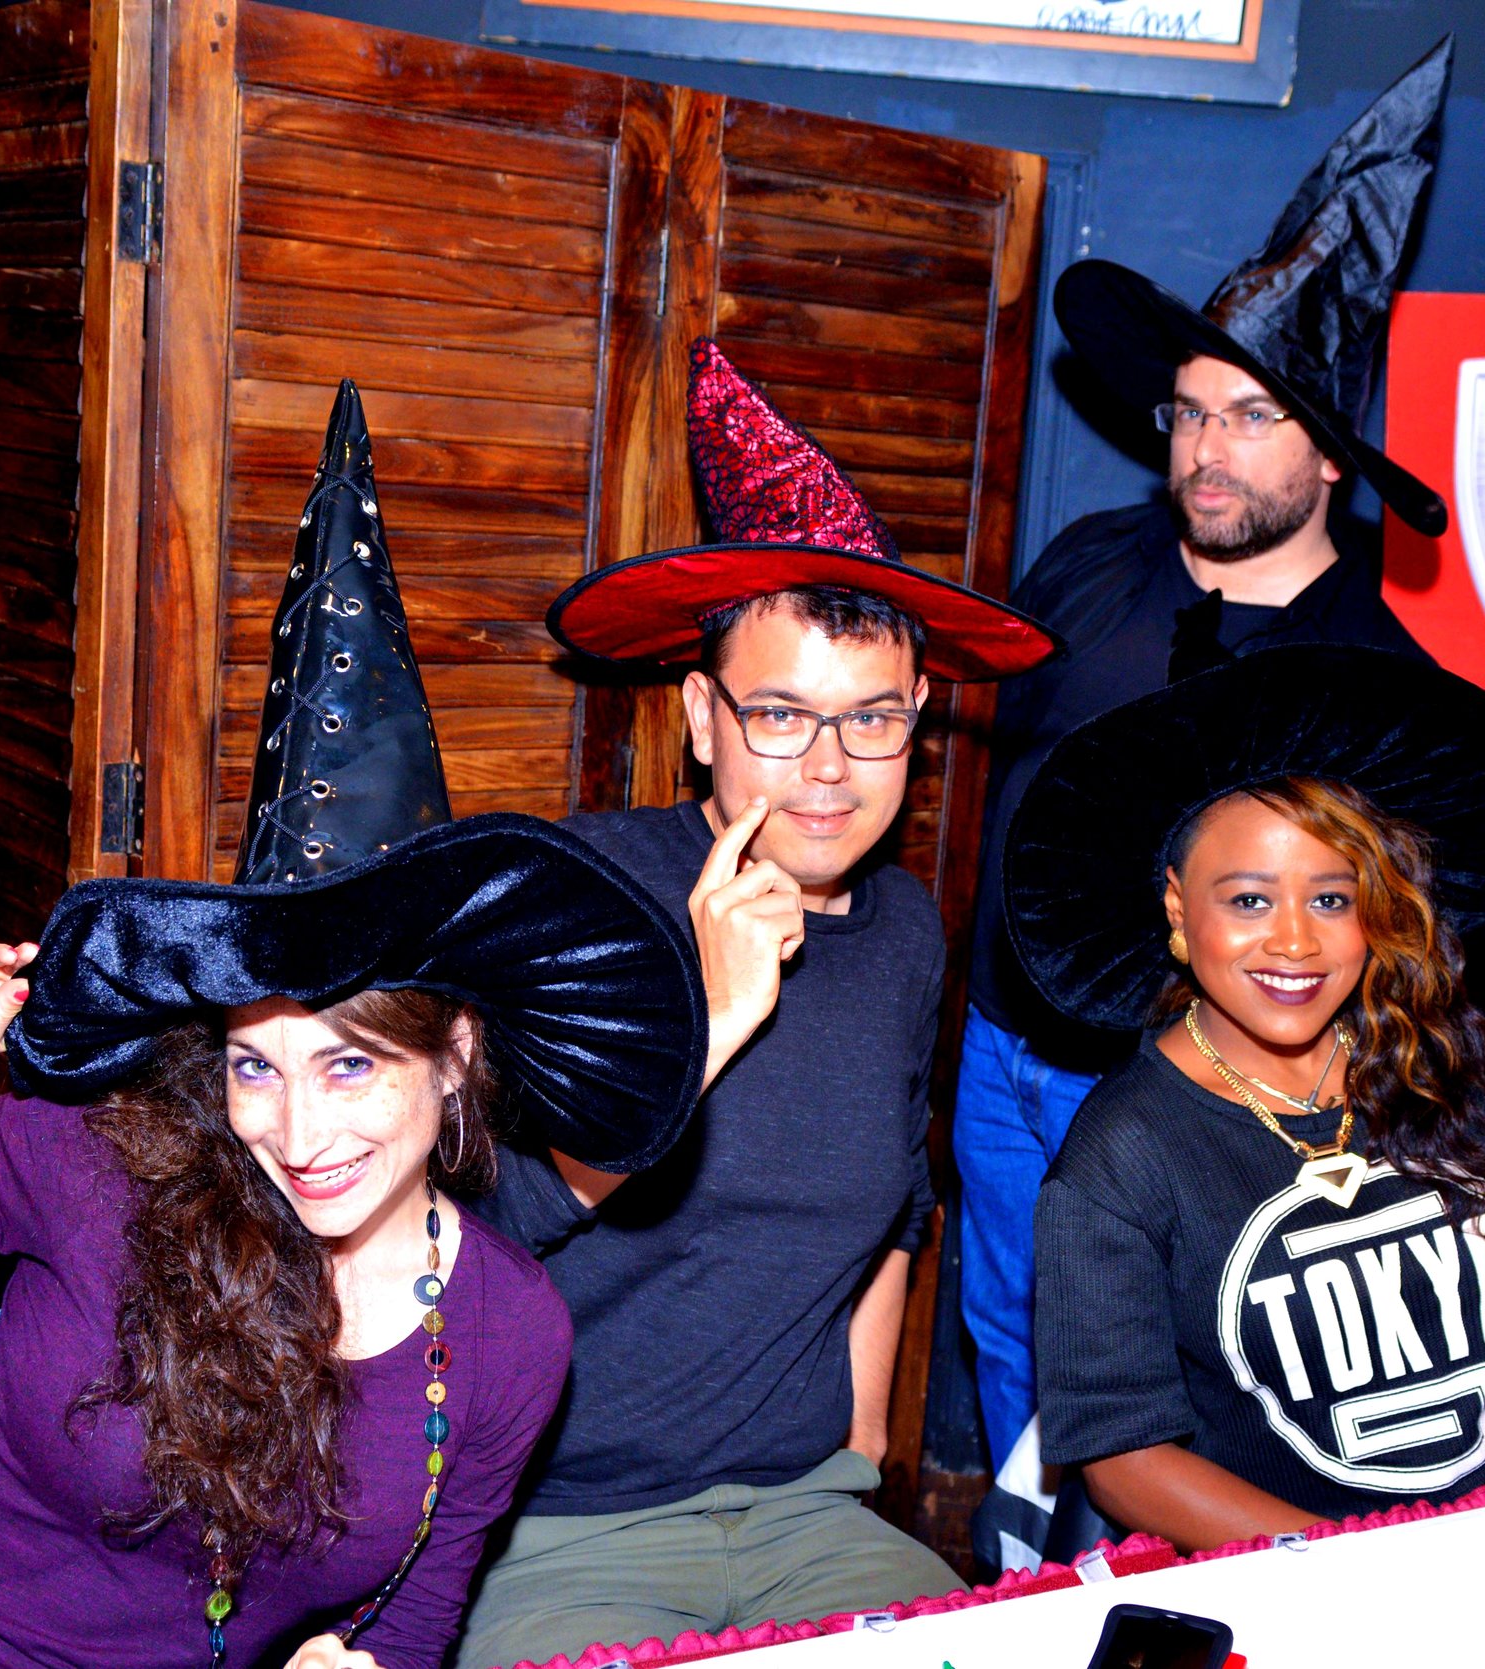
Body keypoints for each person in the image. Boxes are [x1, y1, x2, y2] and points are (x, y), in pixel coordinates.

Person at [0, 385, 716, 1669]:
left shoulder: (506, 1332)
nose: (294, 1127)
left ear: (457, 1058)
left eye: (351, 1063)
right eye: (254, 1064)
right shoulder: (95, 1165)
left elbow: (426, 1602)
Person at [448, 341, 1060, 1669]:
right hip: (566, 1529)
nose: (831, 769)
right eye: (780, 715)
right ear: (697, 717)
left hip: (809, 1519)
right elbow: (478, 1228)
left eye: (876, 719)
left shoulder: (903, 929)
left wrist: (860, 1453)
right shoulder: (584, 896)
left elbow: (897, 1205)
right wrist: (710, 1019)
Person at [956, 40, 1462, 1528]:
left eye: (1249, 416)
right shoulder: (1087, 565)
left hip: (1199, 1089)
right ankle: (1025, 1586)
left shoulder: (1368, 665)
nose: (1203, 449)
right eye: (1187, 411)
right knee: (1013, 1341)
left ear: (1332, 454)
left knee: (1175, 1384)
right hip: (1007, 1056)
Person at [1004, 643, 1485, 1547]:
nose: (1295, 942)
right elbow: (1124, 1454)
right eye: (1250, 901)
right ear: (1181, 910)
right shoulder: (1121, 1153)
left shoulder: (1475, 1065)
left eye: (1332, 899)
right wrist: (1356, 1571)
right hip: (1283, 1577)